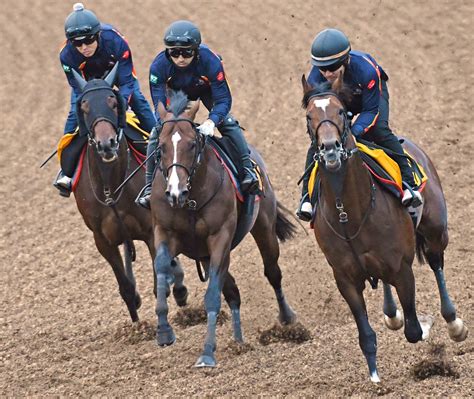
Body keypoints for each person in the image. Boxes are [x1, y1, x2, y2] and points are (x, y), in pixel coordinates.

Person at [297, 28, 423, 221]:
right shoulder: (316, 78)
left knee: (379, 130)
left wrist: (354, 132)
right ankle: (306, 197)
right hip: (337, 102)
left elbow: (371, 111)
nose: (328, 73)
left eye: (333, 68)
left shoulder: (366, 71)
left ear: (345, 60)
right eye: (323, 69)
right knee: (319, 143)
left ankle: (409, 183)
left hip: (369, 98)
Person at [136, 20, 259, 209]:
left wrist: (212, 121)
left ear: (196, 50)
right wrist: (166, 121)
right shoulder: (158, 67)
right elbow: (159, 104)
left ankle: (247, 170)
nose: (180, 58)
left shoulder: (211, 62)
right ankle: (148, 188)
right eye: (174, 53)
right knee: (156, 133)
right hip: (176, 95)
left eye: (186, 52)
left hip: (205, 91)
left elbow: (223, 100)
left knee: (229, 124)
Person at [54, 3, 156, 196]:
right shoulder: (66, 55)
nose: (84, 47)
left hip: (117, 76)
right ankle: (66, 171)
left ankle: (159, 145)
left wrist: (120, 105)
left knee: (140, 102)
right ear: (71, 43)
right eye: (77, 43)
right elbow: (78, 88)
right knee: (73, 114)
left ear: (98, 35)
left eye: (89, 41)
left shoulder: (117, 42)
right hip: (86, 82)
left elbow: (126, 82)